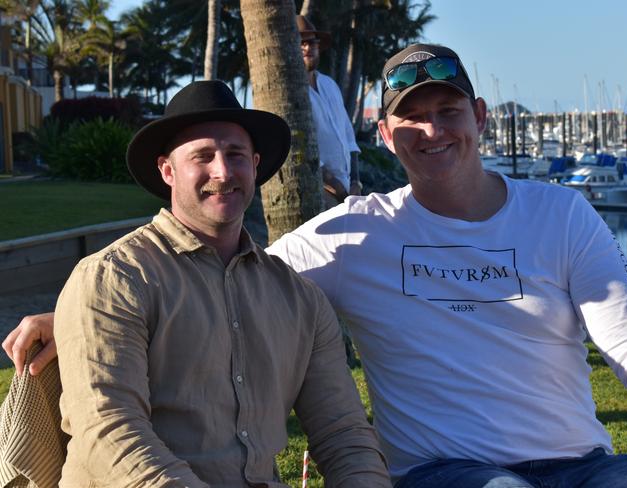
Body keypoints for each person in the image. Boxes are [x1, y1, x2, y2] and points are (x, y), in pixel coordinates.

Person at [6, 45, 627, 487]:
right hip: (448, 471)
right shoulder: (353, 234)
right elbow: (118, 415)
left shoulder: (562, 215)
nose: (433, 131)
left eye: (448, 112)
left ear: (478, 117)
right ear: (385, 135)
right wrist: (70, 311)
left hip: (582, 462)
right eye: (412, 119)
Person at [15, 80, 390, 487]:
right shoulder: (114, 279)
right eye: (203, 156)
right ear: (168, 171)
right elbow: (110, 435)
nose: (223, 171)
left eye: (235, 155)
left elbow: (344, 435)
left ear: (256, 164)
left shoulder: (300, 299)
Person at [297, 15, 362, 207]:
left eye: (312, 42)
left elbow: (349, 138)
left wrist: (355, 182)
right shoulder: (291, 93)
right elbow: (299, 148)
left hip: (348, 189)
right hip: (319, 189)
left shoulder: (329, 84)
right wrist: (334, 185)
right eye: (301, 42)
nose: (308, 47)